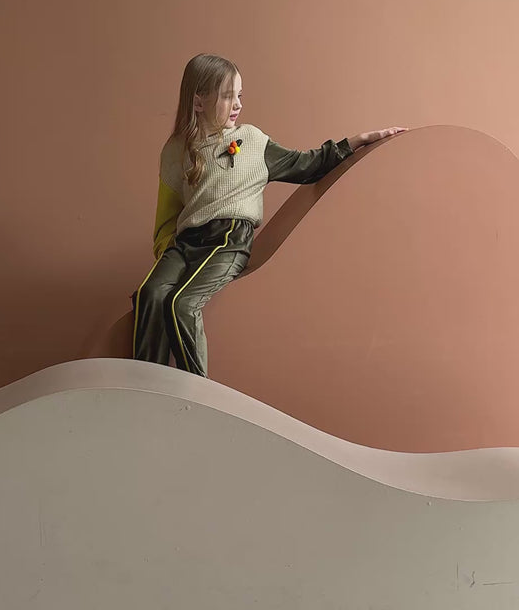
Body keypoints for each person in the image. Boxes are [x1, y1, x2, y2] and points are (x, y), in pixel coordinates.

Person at [132, 53, 406, 376]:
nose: (238, 104)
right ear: (198, 102)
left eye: (240, 95)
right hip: (186, 242)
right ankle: (145, 384)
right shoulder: (176, 150)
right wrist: (167, 249)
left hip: (228, 240)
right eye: (227, 96)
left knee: (181, 304)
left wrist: (356, 141)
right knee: (149, 294)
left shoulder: (251, 140)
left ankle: (197, 390)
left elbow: (308, 164)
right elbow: (167, 216)